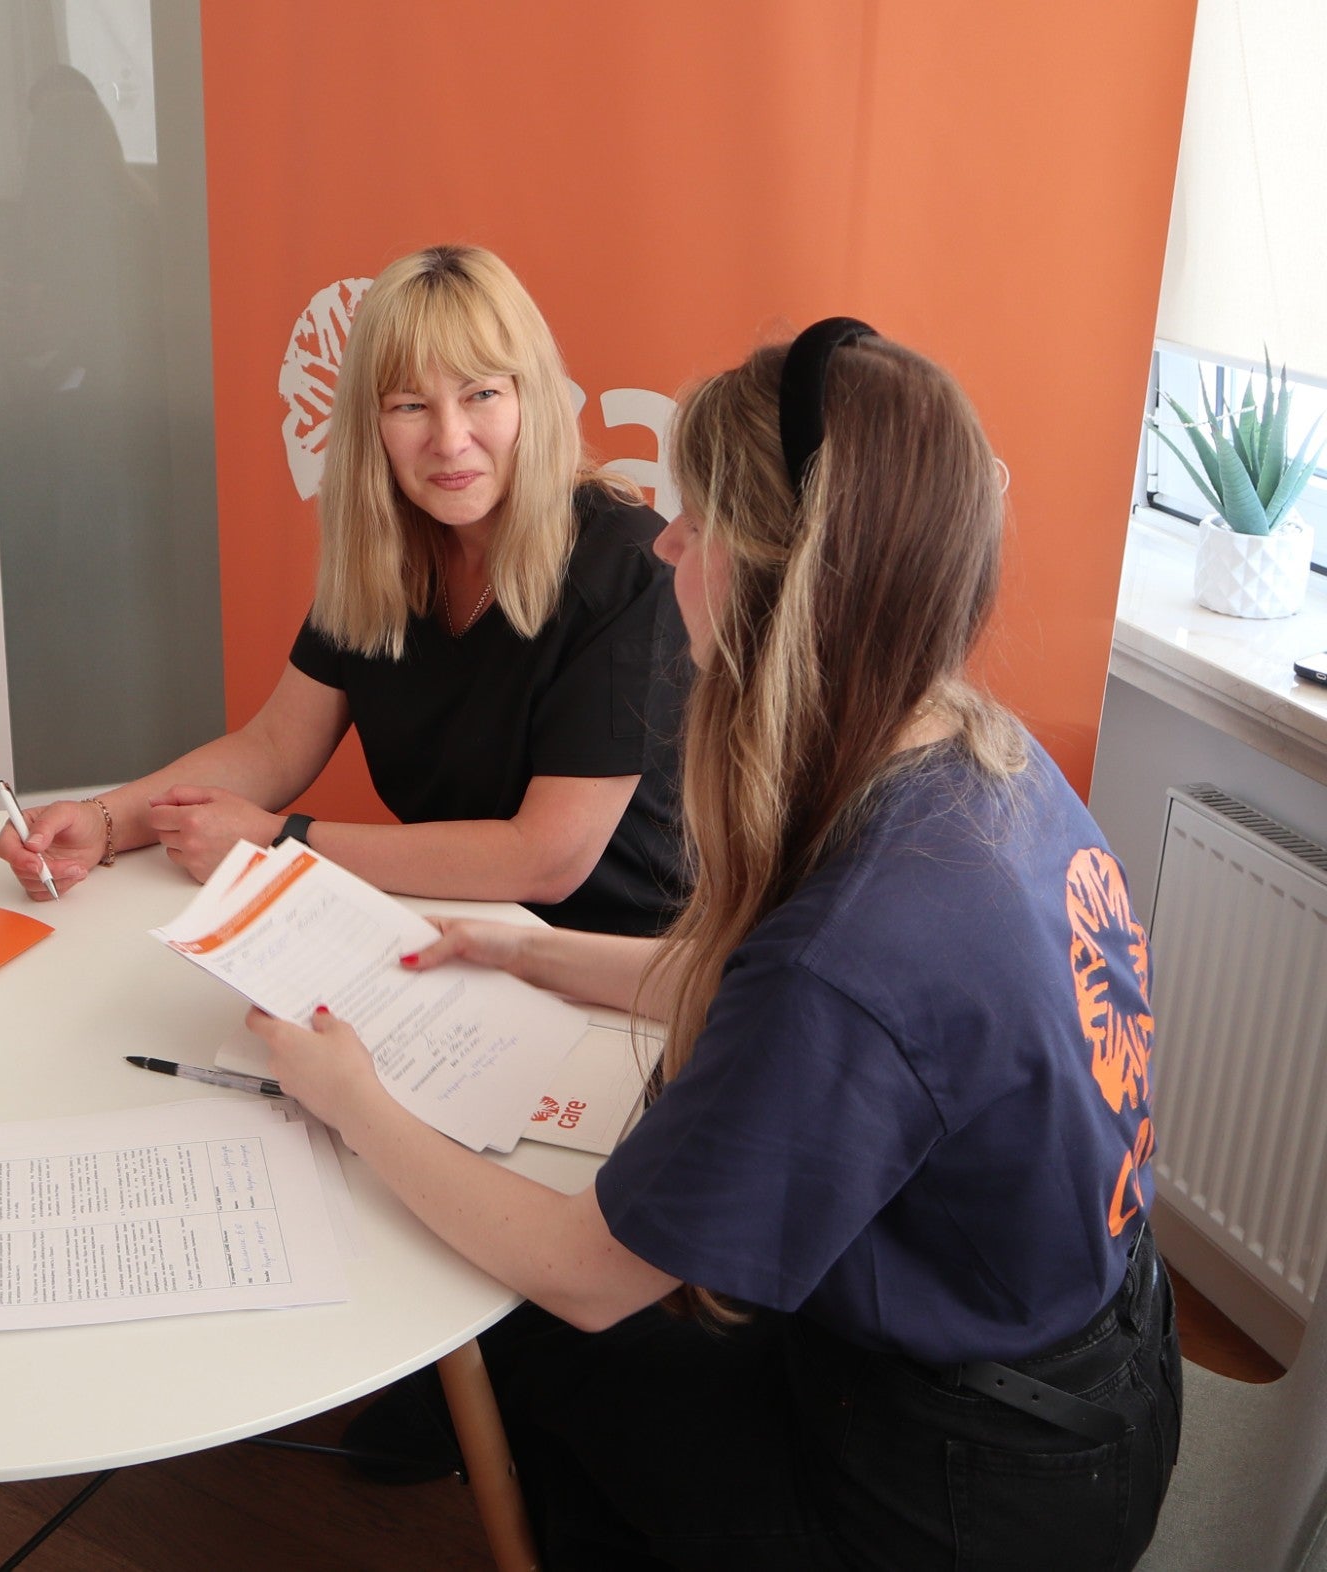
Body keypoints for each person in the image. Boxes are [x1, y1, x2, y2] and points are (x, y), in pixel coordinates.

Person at [248, 320, 1181, 1570]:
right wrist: (533, 954)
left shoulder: (860, 948)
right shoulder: (977, 759)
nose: (668, 542)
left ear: (768, 573)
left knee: (548, 1341)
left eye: (693, 519)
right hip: (1097, 1372)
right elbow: (842, 1028)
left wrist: (350, 1097)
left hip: (972, 1495)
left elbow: (592, 1271)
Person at [0, 244, 688, 936]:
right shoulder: (382, 554)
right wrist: (103, 822)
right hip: (453, 933)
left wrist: (277, 845)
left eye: (482, 394)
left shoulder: (627, 566)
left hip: (621, 969)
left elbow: (546, 858)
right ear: (373, 425)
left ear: (530, 397)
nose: (450, 440)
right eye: (411, 405)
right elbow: (273, 748)